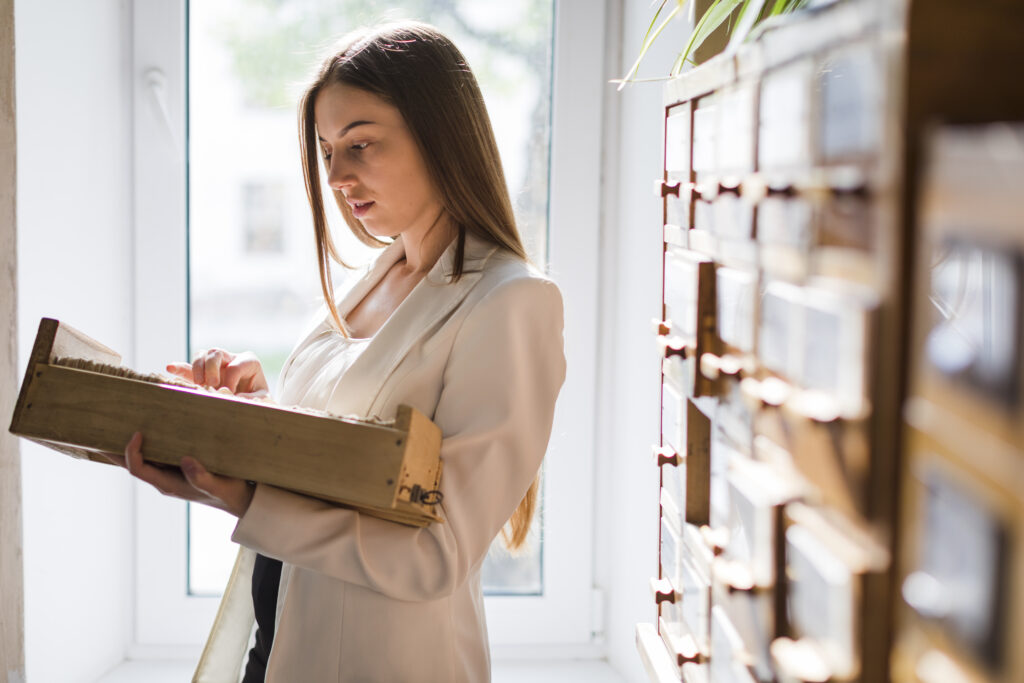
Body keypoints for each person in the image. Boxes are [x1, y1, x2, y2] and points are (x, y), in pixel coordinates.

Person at [104, 20, 566, 683]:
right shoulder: (371, 280)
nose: (339, 176)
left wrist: (248, 500)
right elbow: (345, 446)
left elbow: (436, 553)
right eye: (326, 151)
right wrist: (252, 412)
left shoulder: (511, 303)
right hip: (280, 641)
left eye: (362, 144)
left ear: (442, 135)